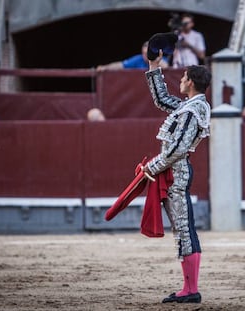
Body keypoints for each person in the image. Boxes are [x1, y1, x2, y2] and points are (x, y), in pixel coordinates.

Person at [142, 50, 212, 304]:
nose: (180, 80)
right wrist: (153, 65)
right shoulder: (190, 106)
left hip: (177, 171)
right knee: (182, 228)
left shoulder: (195, 109)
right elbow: (162, 100)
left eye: (183, 77)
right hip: (175, 170)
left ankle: (191, 290)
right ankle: (188, 288)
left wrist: (153, 165)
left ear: (191, 81)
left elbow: (178, 148)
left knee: (184, 228)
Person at [97, 41, 169, 71]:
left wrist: (154, 58)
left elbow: (165, 66)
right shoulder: (138, 59)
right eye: (143, 53)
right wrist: (105, 67)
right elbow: (121, 65)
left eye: (147, 53)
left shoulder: (160, 58)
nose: (145, 55)